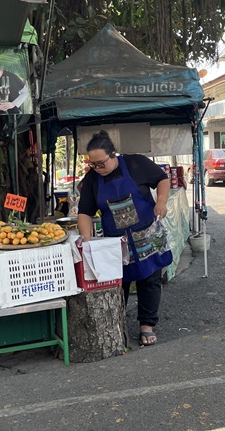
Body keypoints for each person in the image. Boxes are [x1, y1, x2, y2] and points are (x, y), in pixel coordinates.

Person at [77, 131, 172, 346]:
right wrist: (85, 240)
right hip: (117, 242)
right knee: (119, 283)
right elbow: (85, 212)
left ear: (113, 154)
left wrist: (162, 202)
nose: (97, 169)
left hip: (146, 233)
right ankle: (116, 324)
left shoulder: (136, 163)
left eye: (101, 163)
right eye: (93, 165)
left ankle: (147, 325)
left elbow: (162, 180)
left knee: (150, 279)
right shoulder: (92, 180)